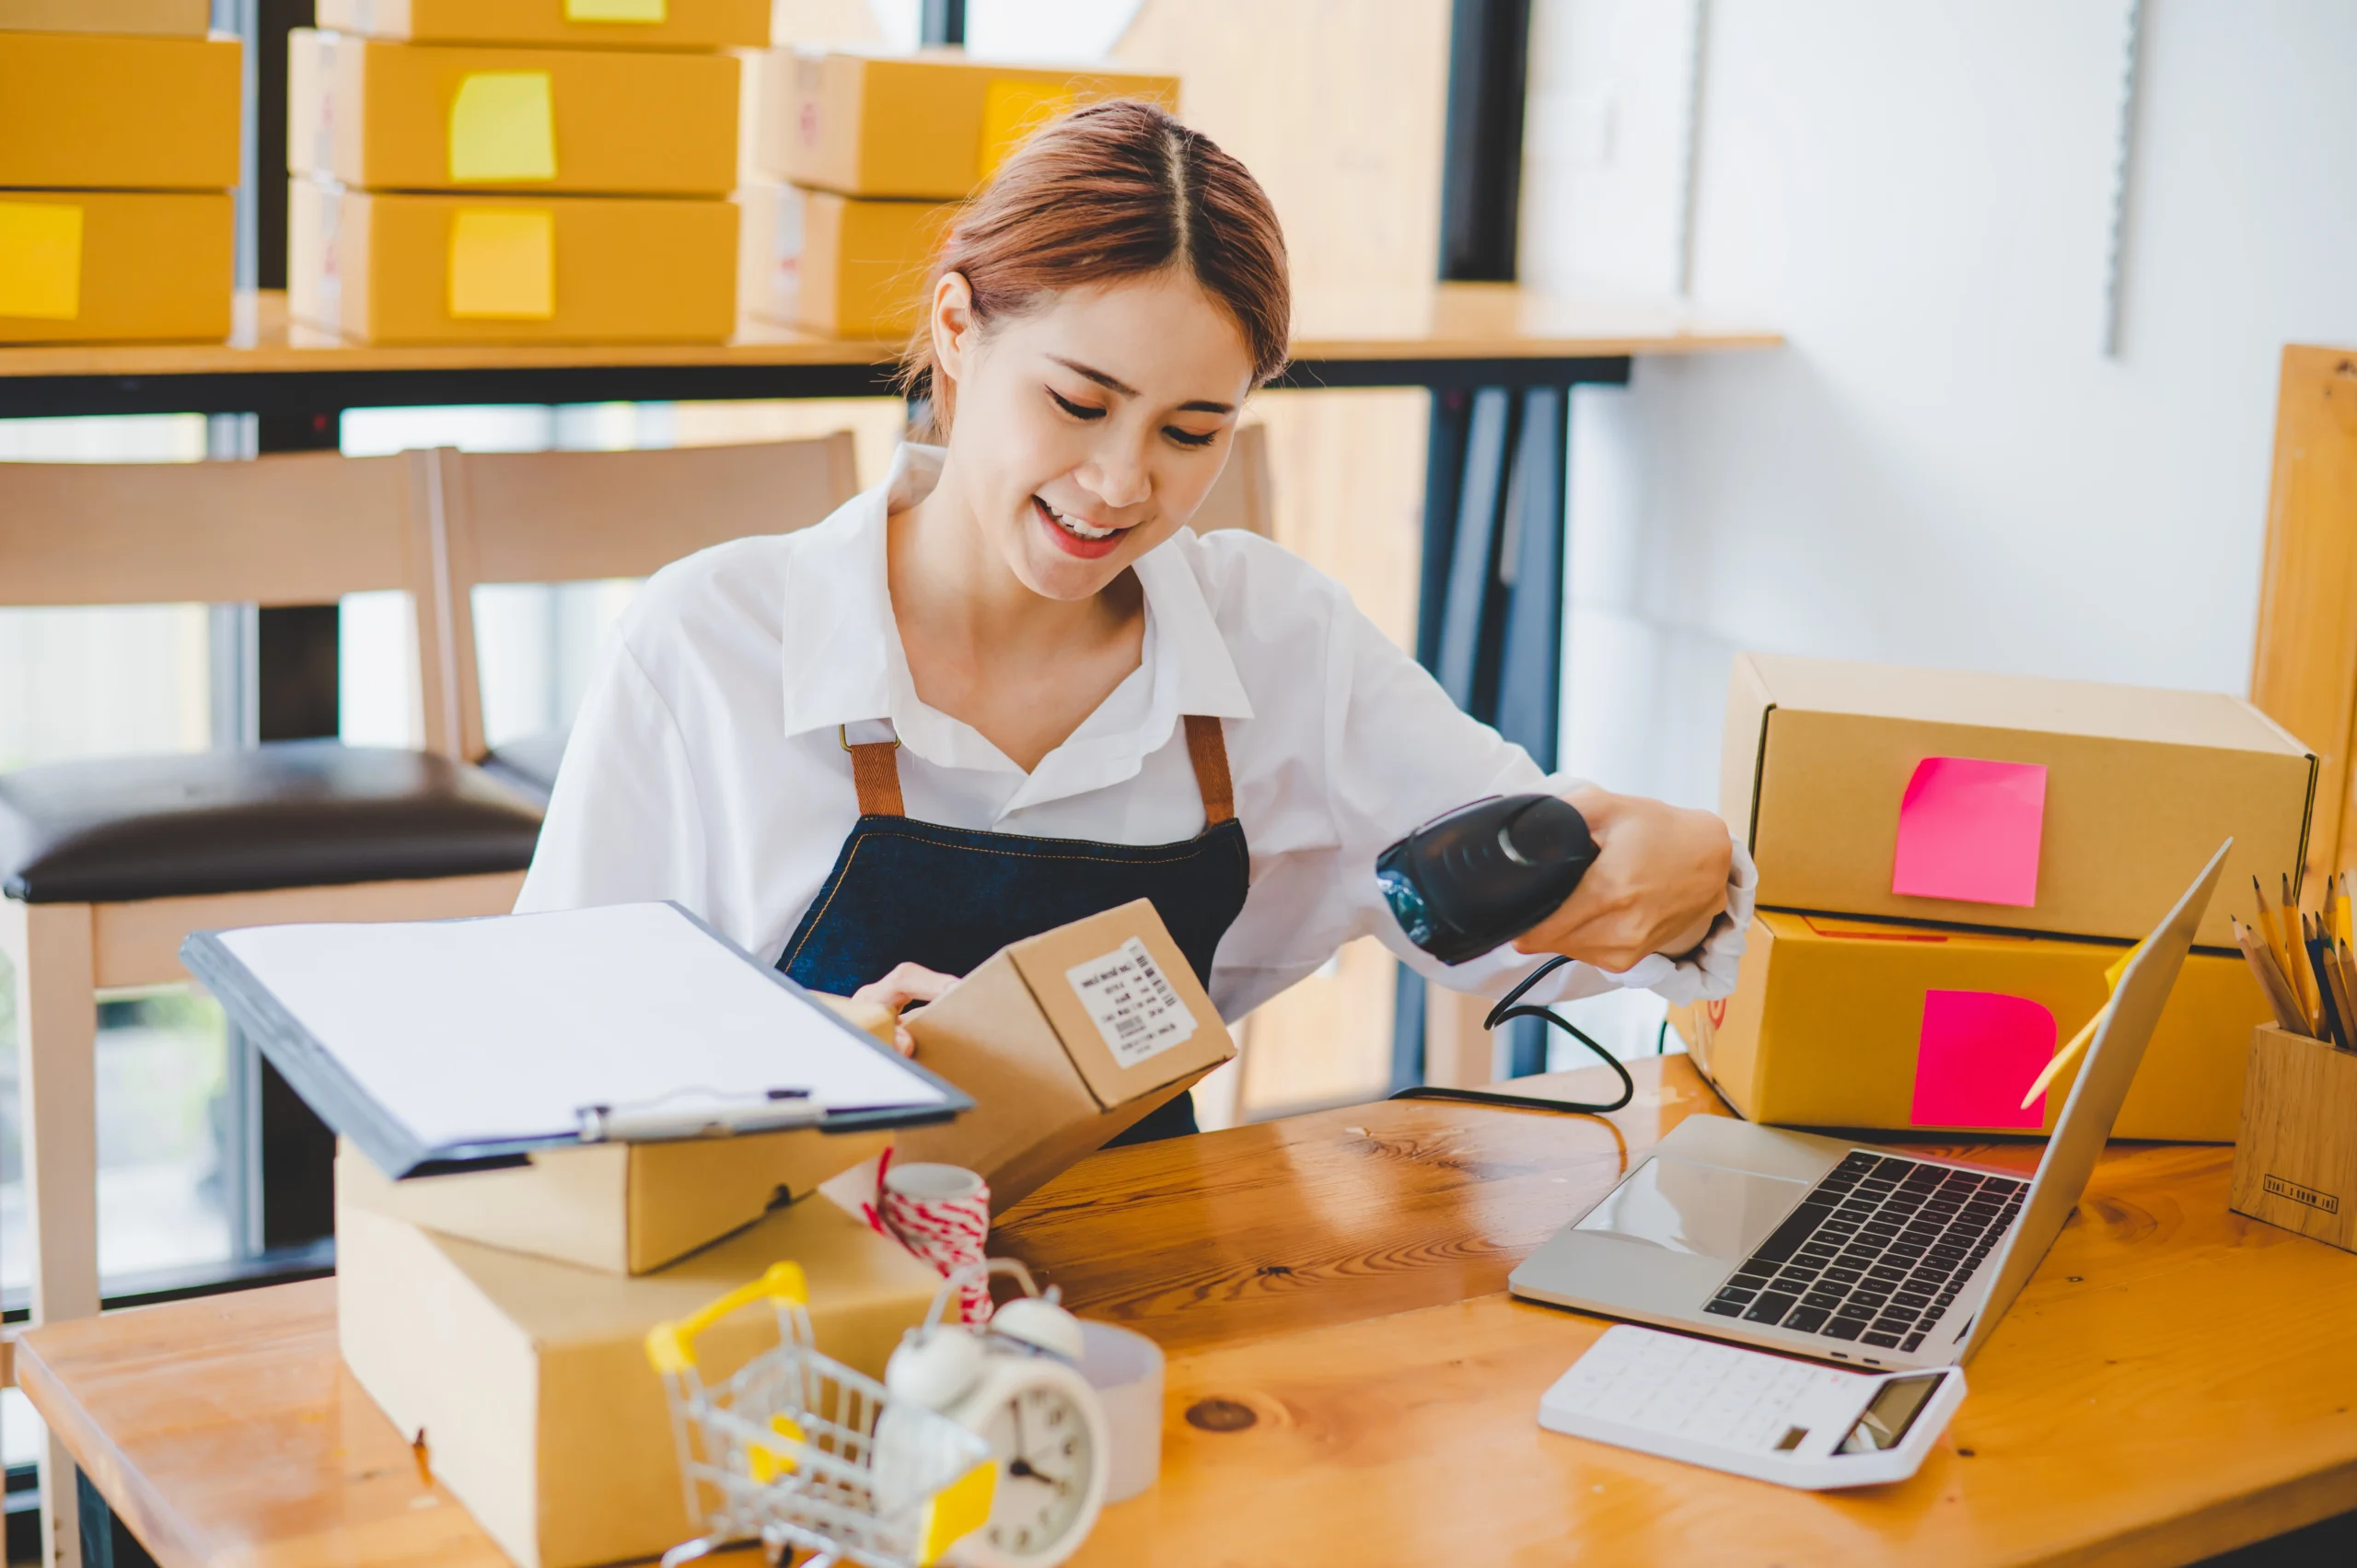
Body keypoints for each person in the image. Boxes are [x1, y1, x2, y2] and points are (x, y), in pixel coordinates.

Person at [517, 99, 1753, 1141]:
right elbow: (548, 1054)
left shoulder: (1279, 644)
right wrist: (800, 1057)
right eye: (1078, 400)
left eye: (1190, 432)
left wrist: (1692, 878)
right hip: (795, 1304)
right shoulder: (709, 645)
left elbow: (1528, 914)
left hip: (1151, 1279)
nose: (1121, 482)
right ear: (956, 329)